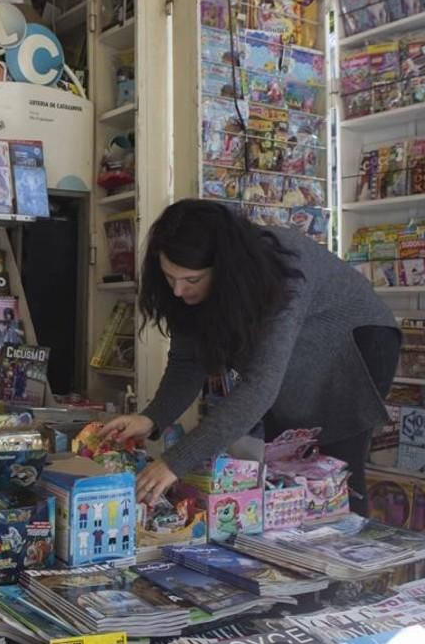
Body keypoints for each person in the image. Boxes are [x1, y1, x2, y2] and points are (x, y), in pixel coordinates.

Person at [100, 200, 400, 514]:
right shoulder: (185, 288)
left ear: (224, 270)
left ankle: (346, 553)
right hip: (299, 357)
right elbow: (189, 362)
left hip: (359, 346)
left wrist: (175, 461)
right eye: (168, 277)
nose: (177, 291)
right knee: (281, 468)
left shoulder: (285, 271)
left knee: (335, 473)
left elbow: (260, 387)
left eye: (191, 280)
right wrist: (151, 418)